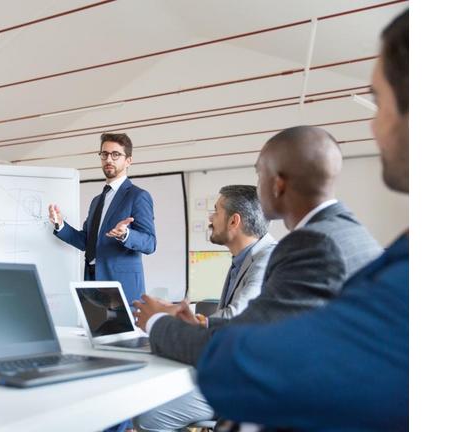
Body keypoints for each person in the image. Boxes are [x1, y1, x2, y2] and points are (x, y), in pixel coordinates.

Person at [195, 10, 409, 430]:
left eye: (379, 101)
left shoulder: (314, 244)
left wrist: (171, 326)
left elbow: (246, 368)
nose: (373, 124)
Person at [135, 125, 382, 367]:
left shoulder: (312, 244)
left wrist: (156, 322)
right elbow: (260, 325)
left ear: (278, 184)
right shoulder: (352, 232)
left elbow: (243, 345)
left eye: (259, 174)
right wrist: (199, 324)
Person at [135, 185, 276, 431]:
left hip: (241, 383)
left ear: (234, 221)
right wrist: (189, 319)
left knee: (149, 416)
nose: (210, 218)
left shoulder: (266, 258)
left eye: (216, 211)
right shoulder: (243, 258)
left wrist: (170, 319)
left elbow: (237, 316)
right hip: (228, 369)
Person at [49, 132, 157, 304]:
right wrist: (60, 225)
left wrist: (126, 234)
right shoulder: (97, 201)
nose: (109, 159)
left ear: (128, 161)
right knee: (93, 322)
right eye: (104, 154)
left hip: (121, 285)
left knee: (120, 324)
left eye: (116, 154)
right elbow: (86, 242)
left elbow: (150, 243)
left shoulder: (138, 196)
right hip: (92, 283)